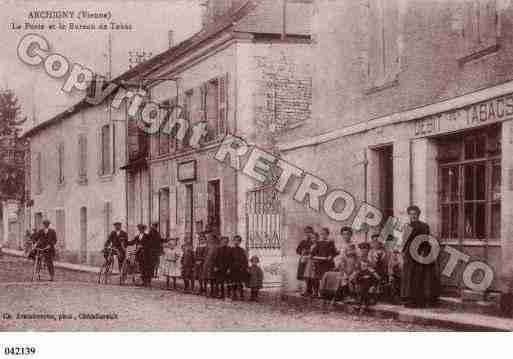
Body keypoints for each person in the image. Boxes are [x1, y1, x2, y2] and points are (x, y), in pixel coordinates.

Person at [401, 205, 440, 308]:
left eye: (415, 214)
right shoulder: (407, 226)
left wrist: (423, 253)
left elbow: (426, 239)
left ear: (418, 215)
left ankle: (421, 300)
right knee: (410, 276)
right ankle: (409, 300)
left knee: (420, 276)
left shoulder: (424, 226)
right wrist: (403, 252)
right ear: (409, 215)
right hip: (409, 254)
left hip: (421, 252)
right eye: (411, 214)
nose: (413, 216)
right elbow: (404, 241)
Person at [311, 227, 338, 297]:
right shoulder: (318, 243)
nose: (323, 236)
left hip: (327, 264)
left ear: (328, 234)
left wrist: (331, 256)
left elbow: (334, 252)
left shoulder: (330, 243)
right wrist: (317, 257)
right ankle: (315, 293)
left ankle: (325, 293)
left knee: (326, 278)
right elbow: (313, 253)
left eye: (325, 234)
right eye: (322, 234)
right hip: (319, 263)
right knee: (316, 278)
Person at [229, 235, 249, 301]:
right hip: (233, 268)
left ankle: (241, 295)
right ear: (233, 241)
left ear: (240, 242)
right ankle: (234, 295)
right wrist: (229, 268)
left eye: (238, 241)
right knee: (233, 282)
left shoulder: (242, 250)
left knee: (240, 283)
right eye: (235, 240)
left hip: (240, 268)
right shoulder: (231, 250)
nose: (236, 242)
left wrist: (244, 267)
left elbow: (245, 260)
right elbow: (229, 259)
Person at [202, 232, 219, 297]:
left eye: (210, 238)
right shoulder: (207, 246)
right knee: (205, 277)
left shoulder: (216, 247)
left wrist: (216, 265)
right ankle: (206, 291)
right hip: (206, 263)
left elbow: (217, 257)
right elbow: (205, 255)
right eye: (208, 238)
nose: (209, 239)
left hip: (213, 264)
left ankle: (213, 291)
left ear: (213, 239)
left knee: (212, 278)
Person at [303, 232, 320, 297]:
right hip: (310, 262)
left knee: (314, 278)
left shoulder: (319, 246)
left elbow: (317, 254)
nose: (313, 239)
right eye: (312, 238)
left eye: (315, 238)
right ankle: (308, 291)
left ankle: (316, 292)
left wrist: (310, 256)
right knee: (308, 277)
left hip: (315, 263)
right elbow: (310, 254)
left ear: (317, 238)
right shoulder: (312, 246)